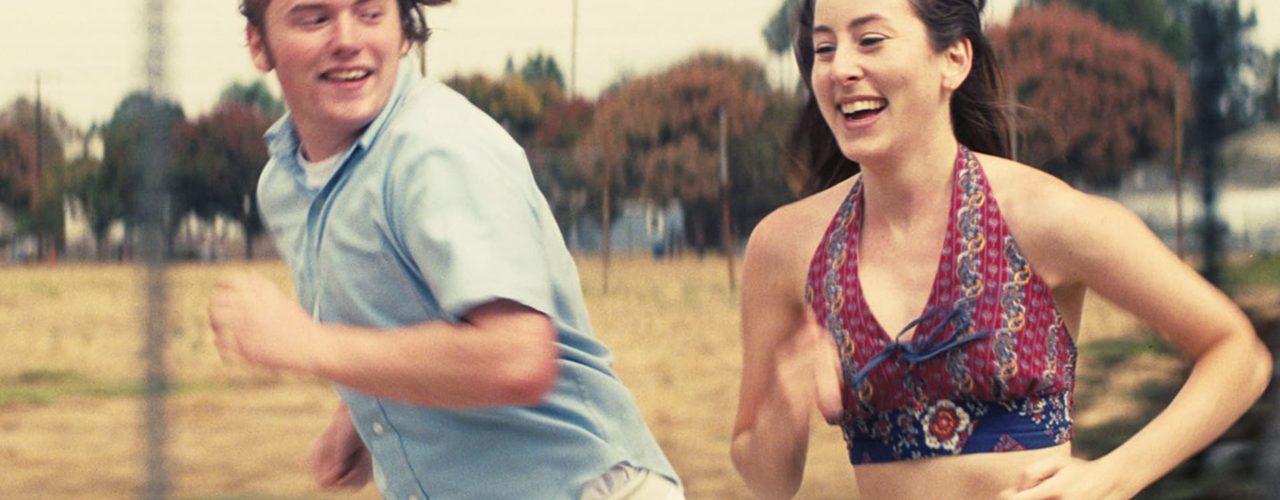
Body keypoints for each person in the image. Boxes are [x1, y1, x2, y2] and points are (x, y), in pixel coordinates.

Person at [730, 0, 1272, 499]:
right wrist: (785, 400)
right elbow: (767, 483)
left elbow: (1238, 354)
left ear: (953, 60)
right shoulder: (787, 246)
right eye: (825, 48)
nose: (841, 68)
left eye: (870, 40)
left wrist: (1112, 477)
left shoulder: (1043, 217)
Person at [208, 1, 681, 498]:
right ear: (259, 44)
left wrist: (310, 345)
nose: (347, 39)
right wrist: (364, 415)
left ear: (403, 31)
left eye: (370, 13)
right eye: (314, 17)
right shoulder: (285, 186)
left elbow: (516, 357)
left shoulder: (437, 151)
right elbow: (405, 316)